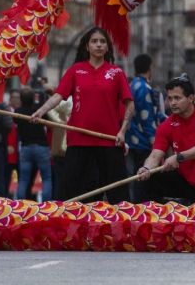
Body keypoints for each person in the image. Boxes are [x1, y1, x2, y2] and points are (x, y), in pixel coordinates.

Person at [31, 27, 134, 202]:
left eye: (103, 42)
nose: (99, 45)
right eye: (94, 41)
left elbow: (129, 103)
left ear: (108, 47)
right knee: (68, 190)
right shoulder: (75, 70)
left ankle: (123, 226)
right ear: (87, 46)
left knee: (119, 193)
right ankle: (63, 224)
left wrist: (122, 131)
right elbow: (58, 95)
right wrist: (41, 111)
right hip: (79, 139)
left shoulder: (116, 73)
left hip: (109, 139)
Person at [136, 76, 195, 203]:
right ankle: (149, 218)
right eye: (170, 98)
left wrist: (178, 157)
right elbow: (155, 155)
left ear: (191, 98)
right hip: (188, 184)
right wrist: (147, 168)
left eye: (177, 98)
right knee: (149, 178)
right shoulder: (166, 125)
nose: (173, 103)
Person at [126, 53, 165, 201]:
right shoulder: (144, 88)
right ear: (149, 68)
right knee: (143, 178)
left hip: (131, 138)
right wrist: (154, 140)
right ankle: (142, 209)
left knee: (135, 176)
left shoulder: (131, 85)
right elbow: (146, 117)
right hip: (142, 140)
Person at [13, 88, 53, 201]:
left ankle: (20, 201)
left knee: (23, 179)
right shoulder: (38, 110)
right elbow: (47, 118)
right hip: (41, 147)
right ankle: (46, 203)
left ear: (21, 99)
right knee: (46, 178)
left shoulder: (18, 111)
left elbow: (15, 121)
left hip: (25, 147)